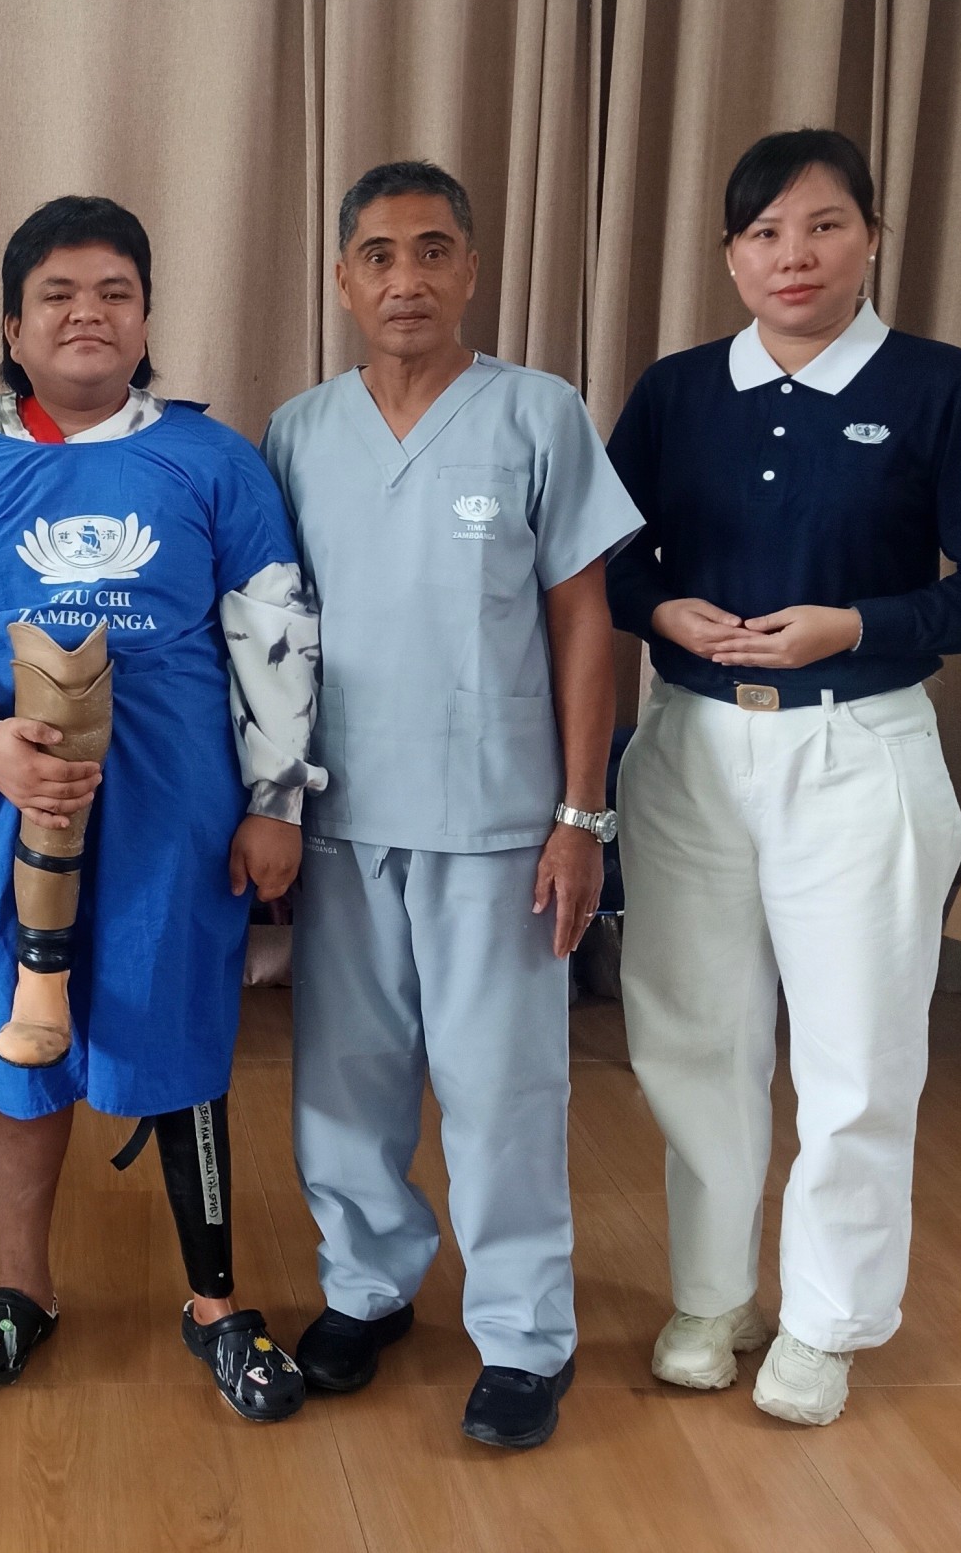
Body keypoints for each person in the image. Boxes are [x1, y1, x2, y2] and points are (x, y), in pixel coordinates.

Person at [607, 128, 961, 1426]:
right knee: (693, 1031)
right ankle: (709, 1292)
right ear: (729, 255)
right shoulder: (680, 390)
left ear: (871, 236)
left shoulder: (939, 387)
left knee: (857, 1047)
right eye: (761, 234)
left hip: (856, 744)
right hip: (689, 740)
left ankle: (825, 1317)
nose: (790, 255)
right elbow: (607, 562)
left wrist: (856, 624)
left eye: (820, 225)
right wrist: (664, 612)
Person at [0, 196, 324, 1422]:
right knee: (20, 1046)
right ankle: (22, 1288)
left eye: (114, 291)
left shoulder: (209, 460)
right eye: (57, 293)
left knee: (179, 1033)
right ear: (11, 324)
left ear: (147, 316)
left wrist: (273, 799)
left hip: (174, 805)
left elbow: (273, 631)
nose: (87, 312)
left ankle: (218, 1304)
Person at [264, 161, 640, 1450]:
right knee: (346, 1082)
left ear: (472, 269)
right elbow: (266, 637)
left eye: (432, 251)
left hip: (496, 824)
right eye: (377, 255)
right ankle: (367, 1290)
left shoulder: (539, 416)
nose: (405, 278)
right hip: (340, 814)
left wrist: (581, 816)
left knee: (502, 1086)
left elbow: (585, 625)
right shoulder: (298, 432)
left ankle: (525, 1334)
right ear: (342, 280)